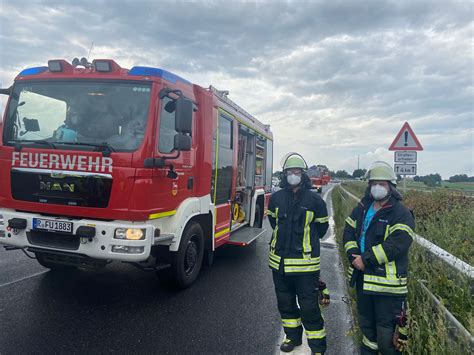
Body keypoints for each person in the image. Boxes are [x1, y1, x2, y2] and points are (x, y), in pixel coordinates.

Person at [343, 161, 414, 354]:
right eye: (374, 183)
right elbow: (349, 232)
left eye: (382, 184)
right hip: (363, 281)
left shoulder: (401, 213)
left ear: (391, 187)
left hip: (387, 288)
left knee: (387, 340)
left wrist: (365, 260)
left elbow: (396, 245)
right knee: (368, 334)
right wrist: (353, 256)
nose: (377, 187)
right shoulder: (362, 207)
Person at [267, 153, 329, 355]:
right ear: (285, 175)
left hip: (305, 267)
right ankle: (292, 337)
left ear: (303, 175)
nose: (294, 175)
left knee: (309, 308)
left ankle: (318, 348)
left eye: (297, 172)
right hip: (280, 264)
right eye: (290, 172)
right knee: (285, 305)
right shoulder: (276, 198)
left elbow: (321, 228)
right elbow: (274, 223)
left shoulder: (315, 200)